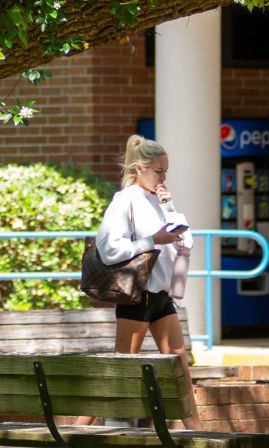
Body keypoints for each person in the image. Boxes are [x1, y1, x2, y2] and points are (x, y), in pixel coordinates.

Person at [94, 135, 194, 367]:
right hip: (138, 295)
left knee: (180, 366)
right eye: (158, 171)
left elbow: (186, 242)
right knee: (125, 366)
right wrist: (153, 240)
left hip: (161, 295)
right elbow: (110, 250)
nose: (163, 178)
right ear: (140, 168)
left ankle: (189, 406)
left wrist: (169, 207)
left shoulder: (161, 201)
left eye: (166, 171)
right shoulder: (124, 201)